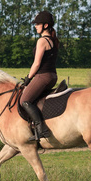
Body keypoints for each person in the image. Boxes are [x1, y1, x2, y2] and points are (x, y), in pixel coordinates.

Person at [20, 11, 59, 141]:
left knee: (24, 100)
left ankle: (41, 129)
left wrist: (28, 78)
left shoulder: (42, 41)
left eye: (38, 24)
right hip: (52, 76)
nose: (35, 26)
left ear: (46, 25)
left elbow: (36, 64)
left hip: (43, 76)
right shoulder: (53, 40)